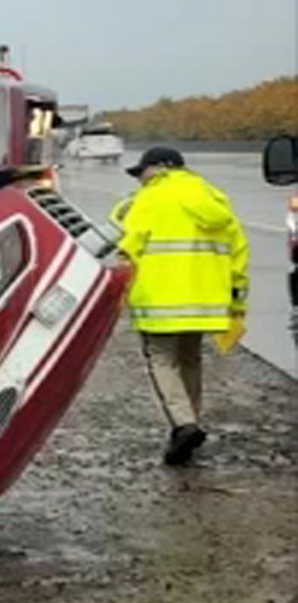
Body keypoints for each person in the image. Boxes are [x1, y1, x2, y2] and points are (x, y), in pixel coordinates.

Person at [115, 147, 250, 466]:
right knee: (190, 358)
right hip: (206, 302)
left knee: (162, 359)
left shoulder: (149, 199)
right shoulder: (215, 198)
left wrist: (118, 288)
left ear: (159, 169)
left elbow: (129, 247)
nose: (140, 180)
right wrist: (237, 303)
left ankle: (184, 424)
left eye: (142, 172)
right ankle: (191, 422)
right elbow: (239, 253)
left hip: (160, 301)